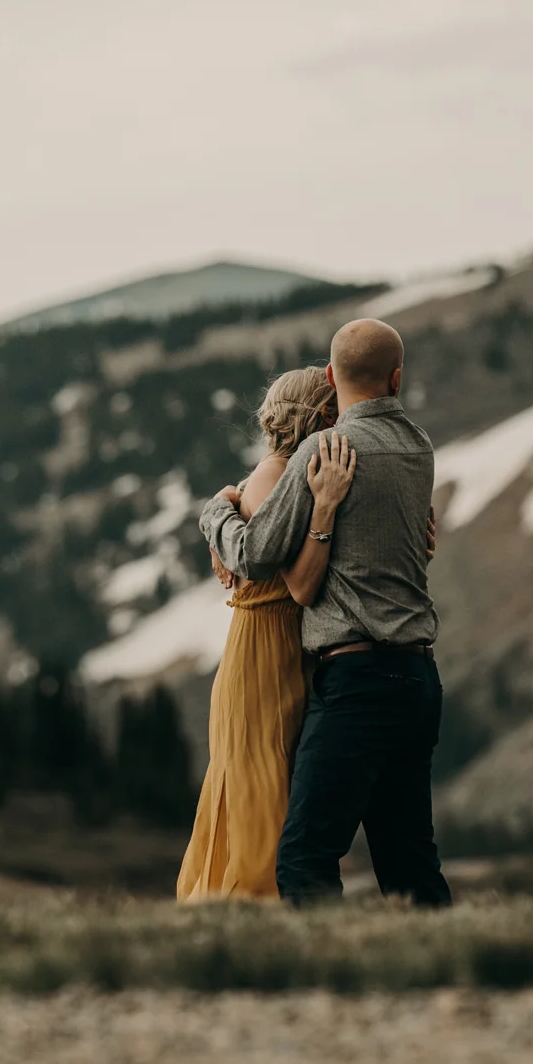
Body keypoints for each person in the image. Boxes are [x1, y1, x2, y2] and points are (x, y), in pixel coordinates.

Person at [200, 318, 452, 907]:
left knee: (306, 855)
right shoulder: (420, 447)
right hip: (418, 677)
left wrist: (216, 511)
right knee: (409, 856)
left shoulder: (326, 449)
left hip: (357, 680)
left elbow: (256, 555)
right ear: (397, 378)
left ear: (335, 378)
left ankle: (332, 976)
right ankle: (450, 968)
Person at [174, 367, 359, 901]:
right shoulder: (276, 477)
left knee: (277, 776)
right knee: (262, 780)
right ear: (320, 416)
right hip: (263, 649)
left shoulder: (287, 474)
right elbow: (292, 570)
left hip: (282, 646)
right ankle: (252, 900)